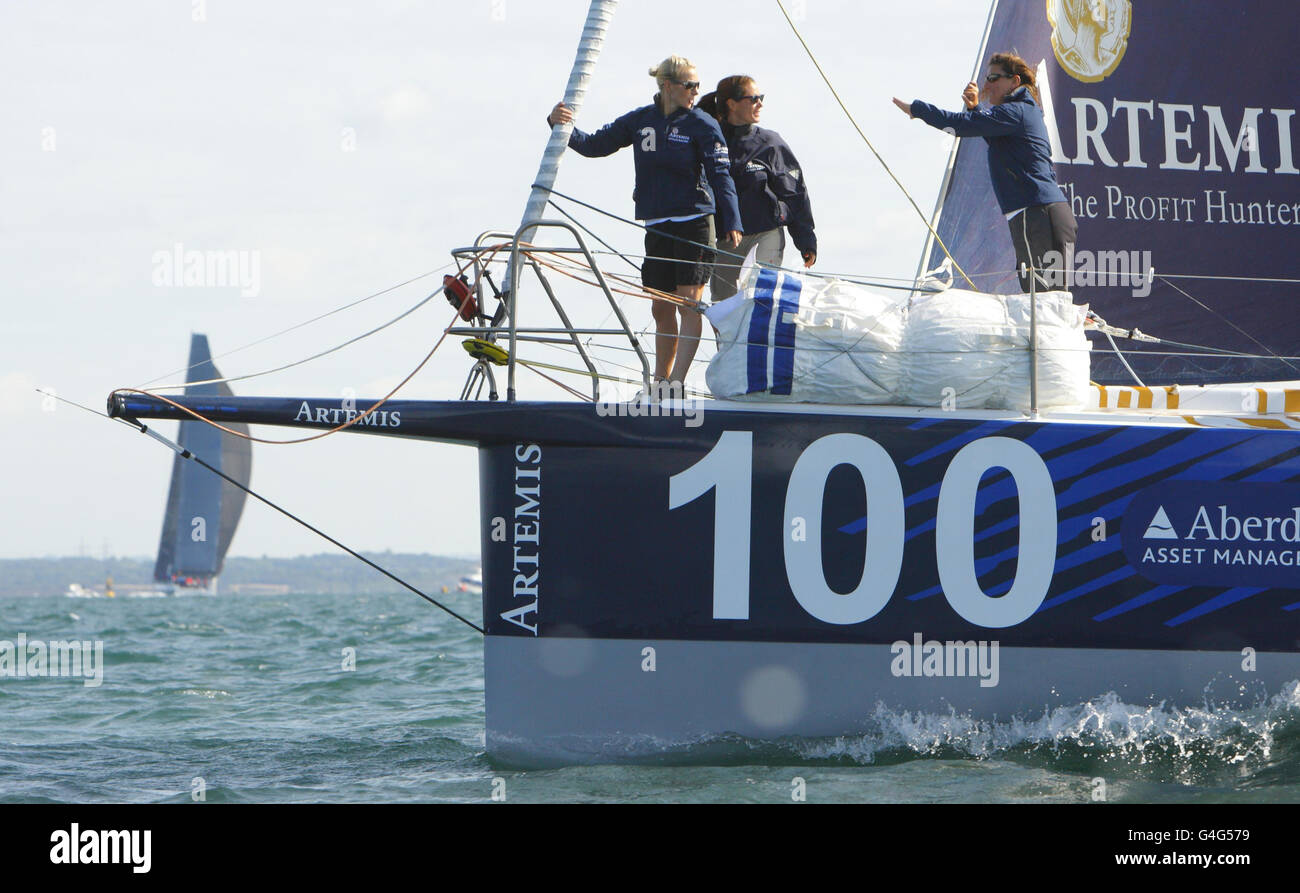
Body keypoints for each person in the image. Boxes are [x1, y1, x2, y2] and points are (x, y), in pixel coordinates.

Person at [547, 55, 743, 387]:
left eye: (698, 85)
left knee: (688, 304)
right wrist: (561, 125)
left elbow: (721, 175)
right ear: (668, 86)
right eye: (689, 85)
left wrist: (732, 219)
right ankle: (660, 381)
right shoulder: (641, 120)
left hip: (694, 222)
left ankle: (675, 384)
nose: (696, 91)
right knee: (660, 307)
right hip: (657, 224)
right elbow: (596, 144)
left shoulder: (702, 124)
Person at [893, 52, 1077, 293]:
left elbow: (960, 126)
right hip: (1041, 213)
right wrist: (975, 108)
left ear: (1014, 82)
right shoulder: (1018, 114)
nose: (986, 85)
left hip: (1037, 213)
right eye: (986, 78)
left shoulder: (1016, 111)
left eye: (993, 78)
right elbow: (991, 134)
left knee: (1045, 304)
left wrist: (917, 109)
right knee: (1045, 302)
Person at [699, 75, 817, 300]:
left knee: (761, 300)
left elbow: (794, 193)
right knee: (724, 308)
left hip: (766, 232)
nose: (760, 103)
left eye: (760, 98)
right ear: (731, 104)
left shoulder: (771, 143)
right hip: (726, 238)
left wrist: (806, 240)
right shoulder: (709, 139)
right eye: (753, 99)